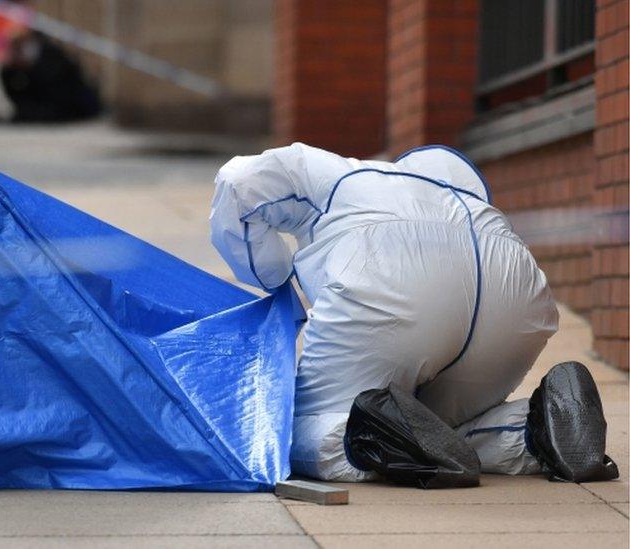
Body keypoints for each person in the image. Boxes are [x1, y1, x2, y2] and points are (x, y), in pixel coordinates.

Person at [209, 143, 620, 487]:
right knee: (439, 428)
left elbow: (238, 182)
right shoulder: (458, 195)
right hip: (515, 296)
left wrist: (272, 276)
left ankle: (368, 441)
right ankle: (537, 430)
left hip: (390, 279)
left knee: (285, 425)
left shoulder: (332, 175)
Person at [0, 29, 101, 124]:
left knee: (29, 115)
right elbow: (17, 93)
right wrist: (9, 70)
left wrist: (27, 68)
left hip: (68, 107)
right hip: (46, 103)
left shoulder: (52, 57)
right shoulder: (25, 64)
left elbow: (55, 91)